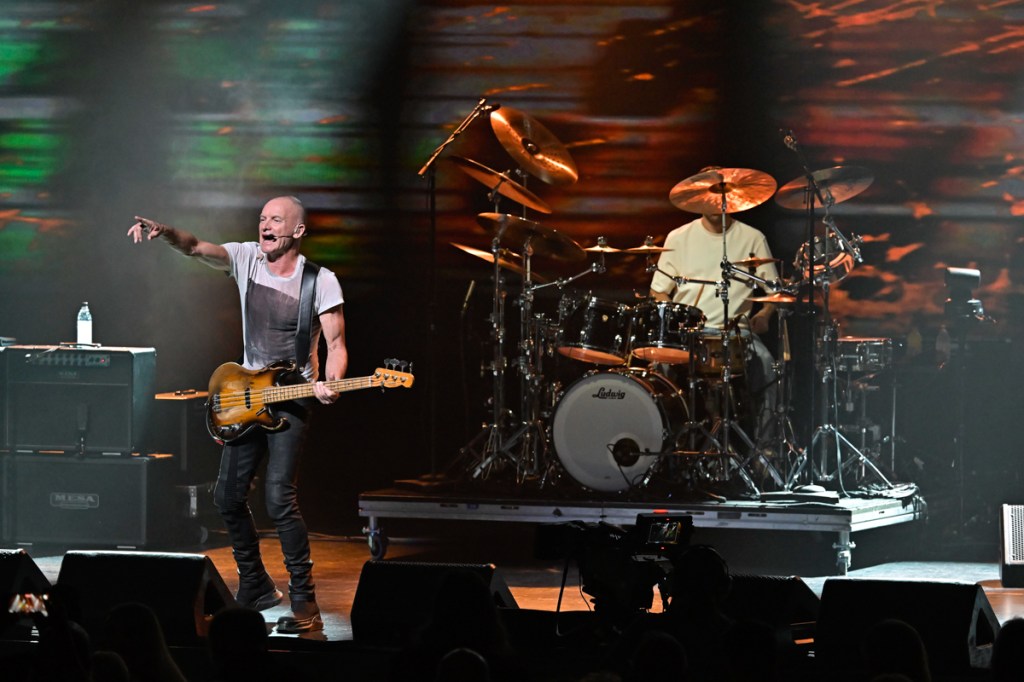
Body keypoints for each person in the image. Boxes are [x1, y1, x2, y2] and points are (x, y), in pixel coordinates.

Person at [127, 195, 348, 634]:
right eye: (262, 218)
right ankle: (256, 585)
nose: (265, 225)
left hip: (293, 401)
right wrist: (167, 232)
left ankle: (305, 602)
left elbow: (337, 347)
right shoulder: (246, 258)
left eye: (276, 220)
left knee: (279, 500)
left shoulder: (320, 281)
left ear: (298, 231)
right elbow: (195, 248)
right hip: (246, 400)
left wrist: (332, 383)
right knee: (227, 498)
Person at [649, 202, 779, 448]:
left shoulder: (752, 237)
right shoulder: (677, 238)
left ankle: (765, 451)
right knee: (659, 370)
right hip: (689, 334)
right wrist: (677, 318)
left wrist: (765, 314)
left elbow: (774, 292)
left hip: (736, 333)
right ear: (694, 199)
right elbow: (658, 292)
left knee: (769, 367)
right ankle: (668, 449)